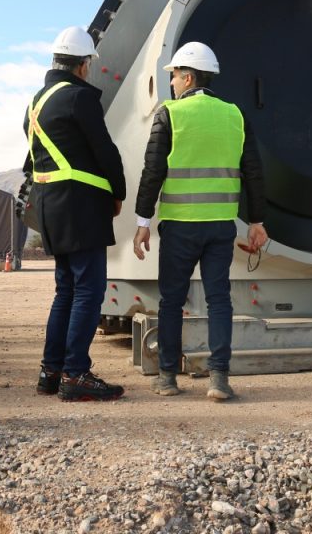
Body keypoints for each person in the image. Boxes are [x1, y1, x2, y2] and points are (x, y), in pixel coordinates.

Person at [132, 42, 268, 401]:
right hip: (221, 226)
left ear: (188, 77)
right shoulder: (234, 115)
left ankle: (166, 378)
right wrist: (257, 221)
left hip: (179, 226)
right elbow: (254, 172)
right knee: (219, 300)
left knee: (172, 301)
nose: (172, 83)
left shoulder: (171, 115)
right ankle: (219, 379)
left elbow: (153, 171)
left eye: (174, 76)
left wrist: (143, 220)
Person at [24, 26, 127, 402]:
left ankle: (51, 371)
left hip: (50, 205)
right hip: (80, 205)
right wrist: (118, 191)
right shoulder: (78, 98)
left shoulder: (36, 102)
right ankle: (75, 374)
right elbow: (104, 150)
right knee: (88, 290)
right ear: (83, 65)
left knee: (65, 290)